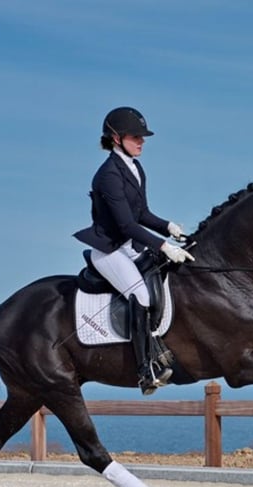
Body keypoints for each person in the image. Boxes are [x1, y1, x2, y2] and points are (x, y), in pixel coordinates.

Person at [74, 106, 194, 395]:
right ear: (116, 139)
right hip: (110, 249)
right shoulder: (108, 175)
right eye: (135, 136)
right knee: (139, 294)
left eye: (143, 137)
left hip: (131, 245)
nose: (141, 141)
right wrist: (165, 246)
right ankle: (146, 369)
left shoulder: (135, 167)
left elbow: (142, 213)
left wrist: (170, 228)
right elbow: (126, 224)